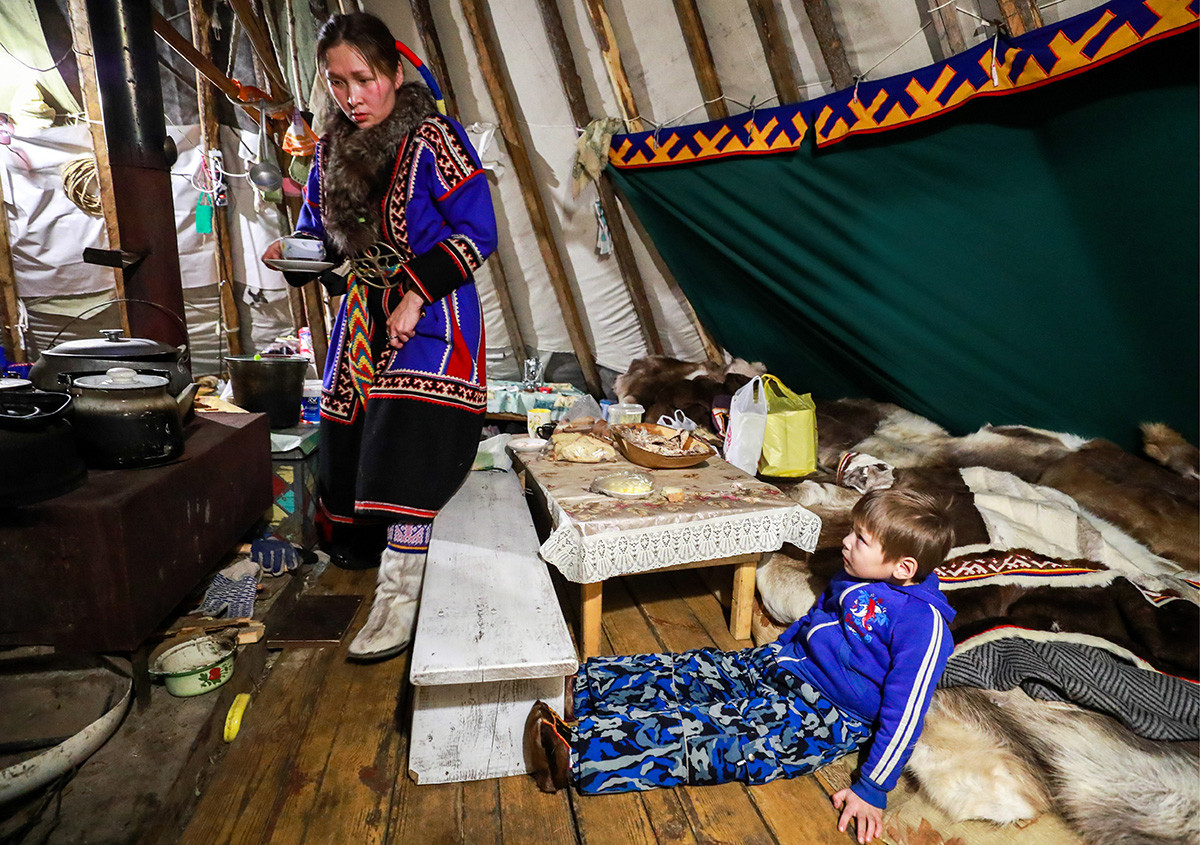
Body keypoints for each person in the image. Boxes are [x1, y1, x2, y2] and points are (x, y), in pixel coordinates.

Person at [526, 487, 956, 845]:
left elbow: (906, 712)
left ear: (904, 567)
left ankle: (579, 752)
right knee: (694, 669)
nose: (845, 541)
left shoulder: (924, 626)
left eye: (861, 539)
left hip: (826, 715)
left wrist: (873, 788)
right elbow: (815, 619)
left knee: (717, 734)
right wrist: (778, 650)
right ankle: (584, 690)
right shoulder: (856, 578)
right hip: (782, 665)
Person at [262, 12, 497, 661]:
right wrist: (296, 251)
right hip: (364, 312)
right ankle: (367, 552)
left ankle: (398, 599)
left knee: (406, 440)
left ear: (393, 72)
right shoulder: (331, 152)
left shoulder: (435, 139)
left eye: (363, 79)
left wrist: (417, 293)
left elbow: (477, 231)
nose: (351, 96)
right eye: (337, 83)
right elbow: (319, 233)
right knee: (349, 430)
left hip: (434, 311)